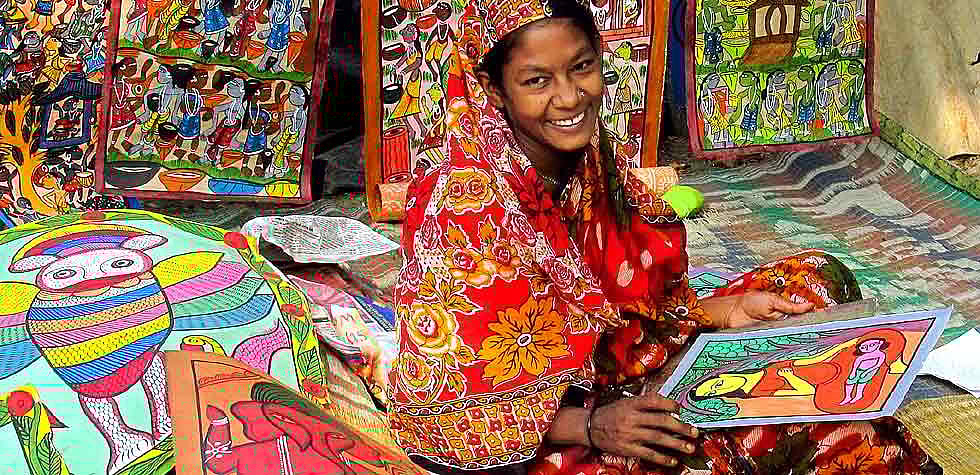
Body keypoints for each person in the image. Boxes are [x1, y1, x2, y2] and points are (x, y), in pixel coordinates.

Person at [388, 1, 939, 475]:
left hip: (616, 365)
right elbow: (449, 407)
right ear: (495, 90)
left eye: (581, 68)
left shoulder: (588, 155)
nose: (569, 97)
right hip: (535, 430)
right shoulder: (465, 206)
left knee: (817, 283)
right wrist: (593, 425)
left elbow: (628, 297)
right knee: (743, 440)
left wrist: (723, 312)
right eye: (537, 80)